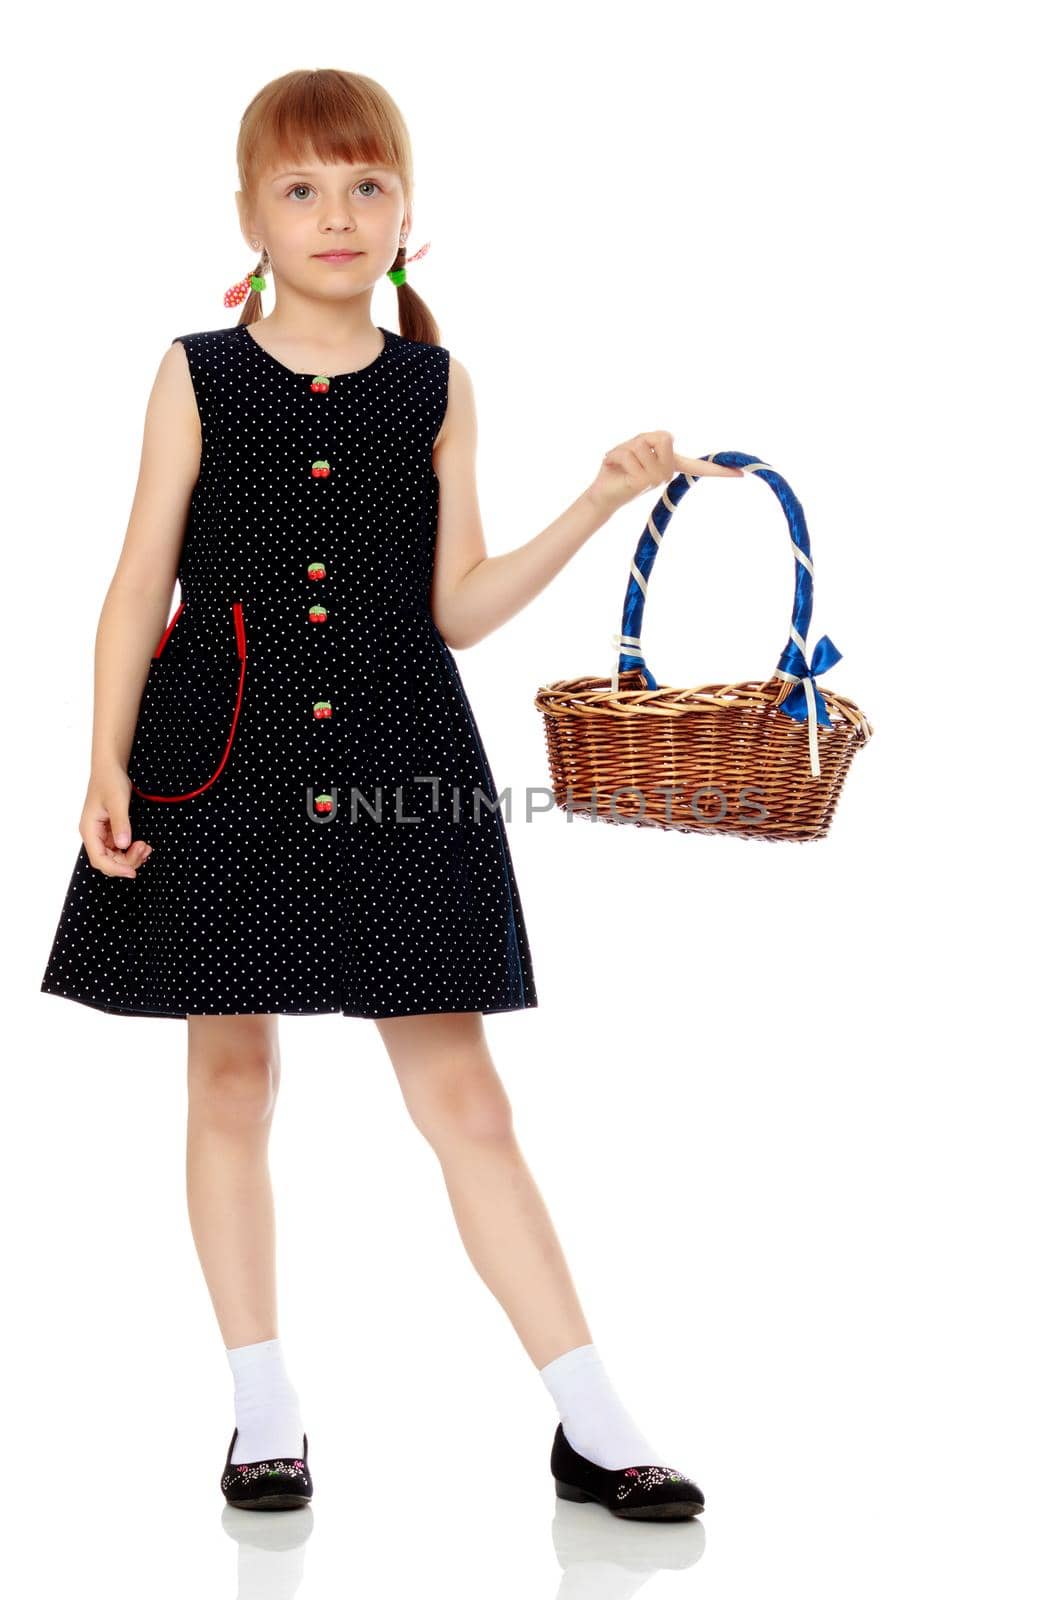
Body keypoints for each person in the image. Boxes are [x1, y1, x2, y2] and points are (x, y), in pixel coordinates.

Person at [39, 67, 741, 1518]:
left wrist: (597, 502)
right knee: (229, 1080)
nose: (336, 214)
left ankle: (594, 1422)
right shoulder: (194, 371)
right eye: (300, 189)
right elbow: (133, 584)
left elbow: (462, 608)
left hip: (395, 760)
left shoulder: (436, 384)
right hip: (214, 754)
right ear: (250, 216)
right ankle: (262, 1412)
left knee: (466, 1102)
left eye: (365, 186)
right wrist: (104, 760)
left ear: (408, 211)